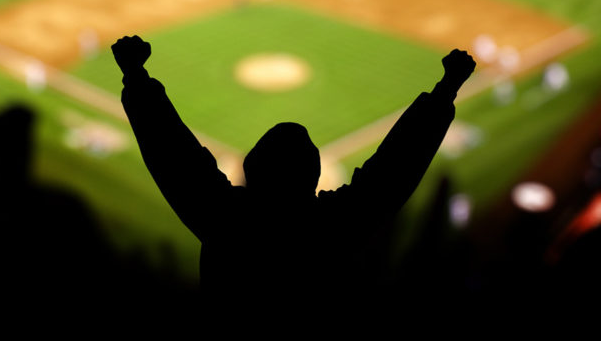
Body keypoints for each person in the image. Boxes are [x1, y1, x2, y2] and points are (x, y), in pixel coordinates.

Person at [113, 35, 475, 303]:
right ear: (314, 177)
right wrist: (445, 91)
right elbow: (393, 172)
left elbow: (174, 158)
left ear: (249, 172)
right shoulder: (334, 228)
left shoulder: (226, 221)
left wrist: (136, 76)